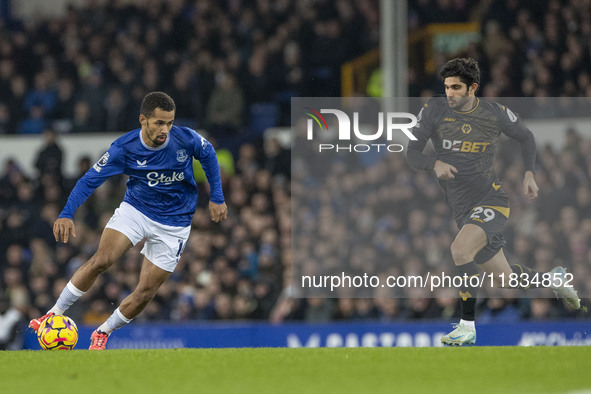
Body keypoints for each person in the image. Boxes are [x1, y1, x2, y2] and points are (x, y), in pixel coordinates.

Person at [29, 92, 228, 350]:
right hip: (136, 211)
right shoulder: (124, 148)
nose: (165, 129)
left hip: (175, 223)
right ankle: (53, 313)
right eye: (159, 123)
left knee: (146, 292)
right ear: (143, 120)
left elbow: (209, 153)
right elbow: (89, 180)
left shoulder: (185, 138)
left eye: (169, 122)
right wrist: (67, 213)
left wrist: (217, 197)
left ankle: (103, 332)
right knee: (102, 260)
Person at [406, 58, 581, 346]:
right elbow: (412, 153)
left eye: (457, 87)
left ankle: (466, 325)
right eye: (447, 87)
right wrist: (433, 162)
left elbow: (526, 138)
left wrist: (529, 174)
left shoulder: (494, 113)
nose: (449, 93)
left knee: (460, 250)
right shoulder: (434, 110)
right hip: (462, 209)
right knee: (507, 280)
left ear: (473, 88)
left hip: (492, 200)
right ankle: (553, 280)